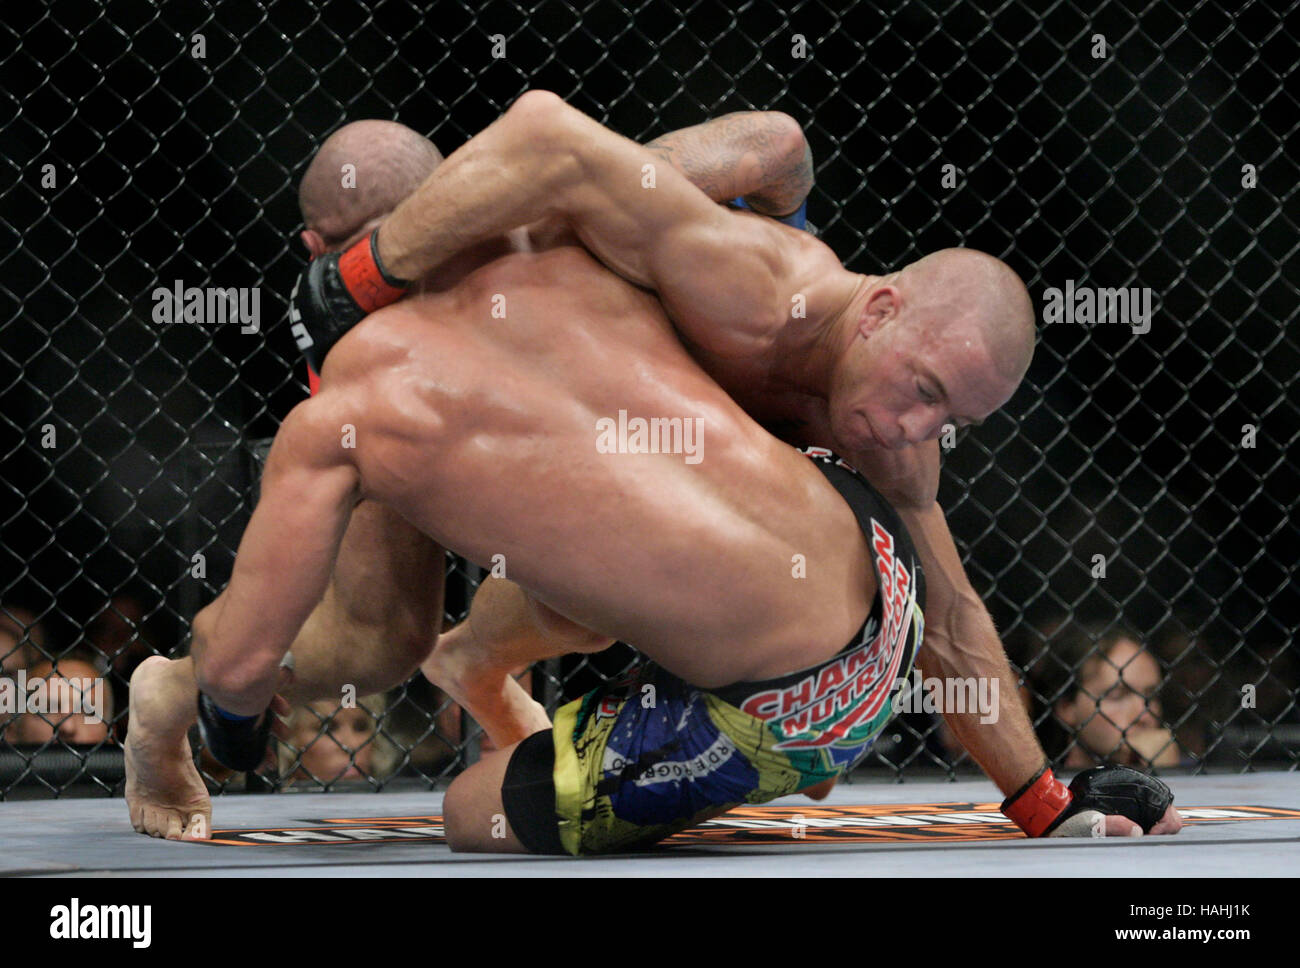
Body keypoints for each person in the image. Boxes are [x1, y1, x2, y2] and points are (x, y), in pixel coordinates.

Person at [128, 99, 1178, 852]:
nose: (913, 425)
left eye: (948, 414)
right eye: (919, 390)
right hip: (439, 405)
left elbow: (947, 607)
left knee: (599, 572)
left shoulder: (876, 421)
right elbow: (563, 145)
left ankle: (465, 670)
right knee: (377, 640)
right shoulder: (718, 276)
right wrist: (364, 280)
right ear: (889, 309)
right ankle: (205, 689)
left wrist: (1037, 793)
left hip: (614, 497)